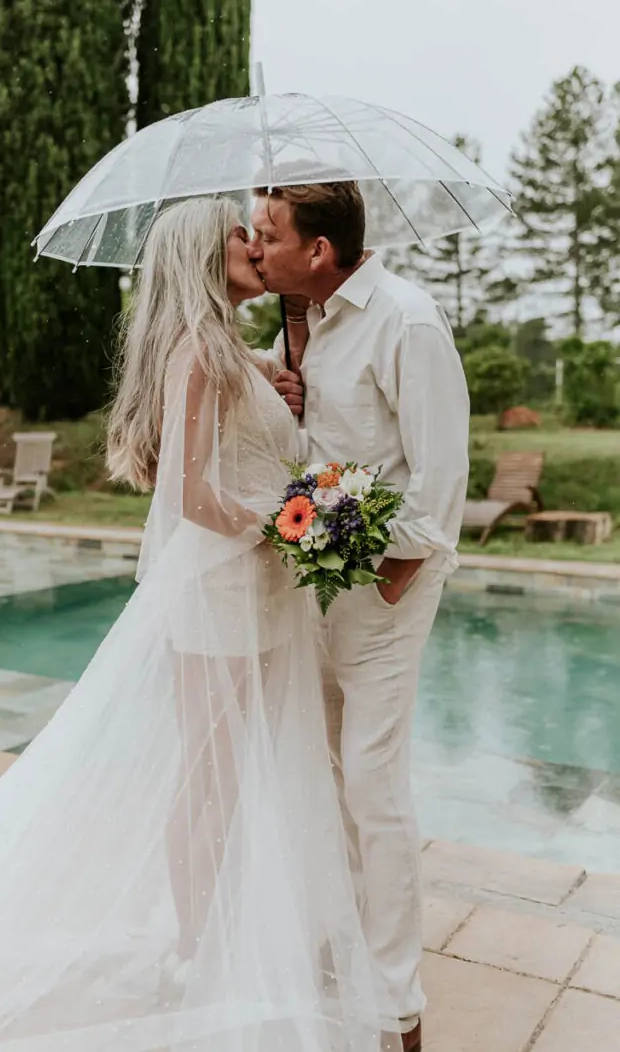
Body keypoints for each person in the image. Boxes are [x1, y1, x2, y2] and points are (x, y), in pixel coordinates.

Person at [0, 197, 398, 1051]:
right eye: (241, 235)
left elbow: (244, 446)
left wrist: (275, 381)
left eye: (259, 234)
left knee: (249, 765)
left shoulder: (227, 349)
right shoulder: (199, 350)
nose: (256, 245)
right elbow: (186, 492)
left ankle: (240, 928)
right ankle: (196, 949)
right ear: (202, 253)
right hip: (220, 588)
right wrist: (285, 526)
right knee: (212, 775)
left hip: (257, 585)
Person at [249, 181, 470, 1052]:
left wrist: (384, 576)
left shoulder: (407, 322)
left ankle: (397, 1007)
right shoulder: (299, 325)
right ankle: (348, 949)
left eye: (269, 234)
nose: (255, 248)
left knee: (374, 786)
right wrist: (290, 399)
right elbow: (319, 459)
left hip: (384, 588)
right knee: (328, 774)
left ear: (319, 250)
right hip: (316, 586)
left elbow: (439, 482)